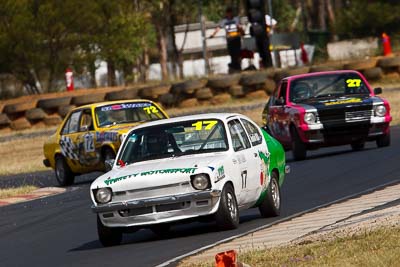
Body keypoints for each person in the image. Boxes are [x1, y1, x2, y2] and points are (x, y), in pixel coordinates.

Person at [210, 7, 243, 72]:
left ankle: (238, 66)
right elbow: (218, 28)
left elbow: (239, 27)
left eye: (230, 12)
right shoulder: (224, 21)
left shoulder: (236, 19)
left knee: (238, 53)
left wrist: (242, 32)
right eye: (228, 13)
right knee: (232, 53)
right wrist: (213, 34)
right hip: (230, 39)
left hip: (236, 38)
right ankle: (234, 67)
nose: (229, 14)